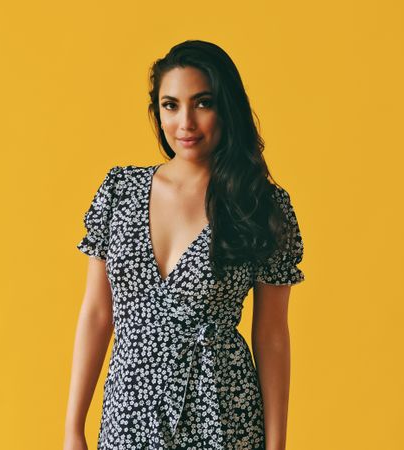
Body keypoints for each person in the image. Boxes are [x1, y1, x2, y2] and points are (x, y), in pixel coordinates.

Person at [63, 40, 305, 450]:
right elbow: (97, 313)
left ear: (226, 108)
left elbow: (272, 335)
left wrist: (276, 444)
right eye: (170, 105)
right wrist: (72, 429)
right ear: (157, 112)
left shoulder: (260, 205)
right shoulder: (119, 192)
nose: (185, 122)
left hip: (222, 412)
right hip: (130, 413)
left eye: (203, 103)